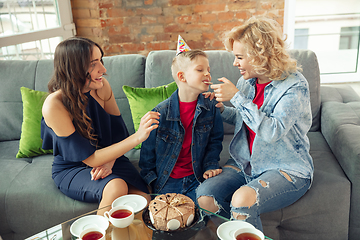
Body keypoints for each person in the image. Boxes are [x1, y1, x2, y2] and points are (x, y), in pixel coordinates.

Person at [196, 16, 314, 231]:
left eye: (239, 57)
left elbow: (271, 131)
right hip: (247, 163)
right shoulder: (246, 82)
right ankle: (234, 234)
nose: (235, 63)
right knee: (205, 198)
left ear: (260, 55)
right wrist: (222, 110)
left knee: (242, 199)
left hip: (286, 167)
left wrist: (237, 97)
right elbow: (245, 121)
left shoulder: (295, 85)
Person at [40, 37, 160, 215]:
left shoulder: (102, 87)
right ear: (74, 68)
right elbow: (90, 159)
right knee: (116, 186)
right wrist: (138, 136)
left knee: (143, 199)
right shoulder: (54, 105)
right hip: (73, 167)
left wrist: (110, 162)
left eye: (101, 60)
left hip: (109, 158)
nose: (103, 69)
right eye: (93, 63)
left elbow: (117, 135)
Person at [139, 36, 224, 204]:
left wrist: (211, 166)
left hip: (197, 177)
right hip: (167, 180)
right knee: (169, 221)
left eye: (208, 69)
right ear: (182, 77)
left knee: (202, 215)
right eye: (200, 70)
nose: (207, 73)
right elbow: (147, 155)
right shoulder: (160, 113)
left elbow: (215, 141)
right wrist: (150, 184)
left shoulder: (211, 106)